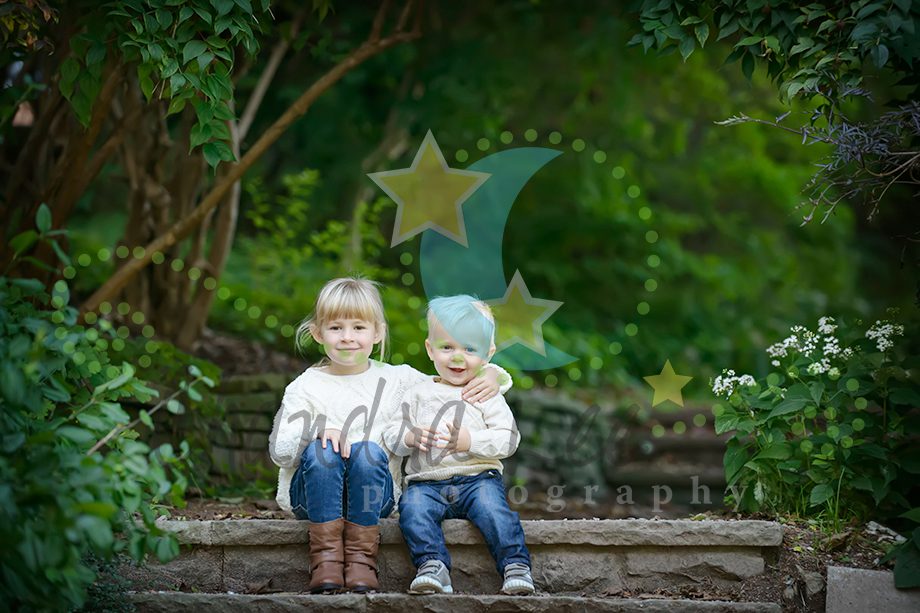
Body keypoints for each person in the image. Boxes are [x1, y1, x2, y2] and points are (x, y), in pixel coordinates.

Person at [268, 277, 512, 594]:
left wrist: (492, 373)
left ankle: (360, 561)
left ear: (378, 332)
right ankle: (326, 560)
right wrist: (316, 430)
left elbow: (450, 378)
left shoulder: (398, 379)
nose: (347, 338)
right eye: (336, 328)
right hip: (311, 499)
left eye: (358, 327)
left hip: (375, 497)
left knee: (367, 452)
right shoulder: (305, 386)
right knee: (322, 449)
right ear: (318, 333)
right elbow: (281, 451)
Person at [385, 295, 535, 596]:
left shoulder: (485, 392)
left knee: (494, 511)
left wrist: (471, 441)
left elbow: (509, 438)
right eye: (447, 347)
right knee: (412, 510)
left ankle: (515, 566)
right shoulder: (417, 393)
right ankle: (432, 566)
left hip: (477, 478)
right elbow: (392, 432)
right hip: (425, 483)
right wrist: (410, 436)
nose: (458, 357)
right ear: (430, 349)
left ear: (487, 354)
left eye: (469, 349)